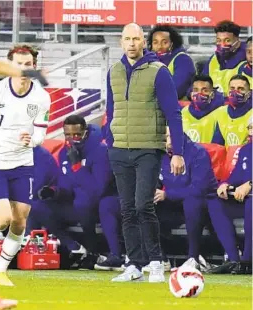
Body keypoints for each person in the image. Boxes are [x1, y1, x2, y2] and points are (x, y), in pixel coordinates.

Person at [106, 23, 185, 283]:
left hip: (148, 148)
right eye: (127, 38)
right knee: (127, 209)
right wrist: (110, 139)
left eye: (136, 39)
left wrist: (178, 152)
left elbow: (173, 112)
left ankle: (155, 261)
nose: (131, 43)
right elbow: (110, 109)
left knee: (143, 206)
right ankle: (134, 264)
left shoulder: (159, 71)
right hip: (119, 149)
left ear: (144, 43)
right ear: (121, 42)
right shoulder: (114, 71)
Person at [0, 44, 51, 286]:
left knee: (20, 220)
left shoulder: (41, 97)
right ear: (10, 66)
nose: (24, 69)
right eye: (18, 64)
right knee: (2, 219)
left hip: (22, 164)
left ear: (34, 67)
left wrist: (31, 140)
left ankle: (0, 271)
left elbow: (40, 134)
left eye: (28, 65)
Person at [37, 115, 122, 269]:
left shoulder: (100, 151)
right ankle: (74, 247)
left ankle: (94, 252)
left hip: (99, 204)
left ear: (85, 132)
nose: (72, 139)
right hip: (77, 204)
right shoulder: (65, 152)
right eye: (68, 135)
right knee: (37, 207)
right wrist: (54, 192)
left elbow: (98, 190)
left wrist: (77, 166)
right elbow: (67, 187)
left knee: (83, 201)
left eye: (76, 134)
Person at [154, 128, 217, 270]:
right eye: (163, 136)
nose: (165, 140)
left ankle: (193, 257)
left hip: (204, 205)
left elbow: (198, 189)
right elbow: (157, 182)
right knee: (145, 206)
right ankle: (159, 258)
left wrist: (167, 194)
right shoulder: (160, 155)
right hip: (174, 205)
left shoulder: (197, 152)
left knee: (191, 202)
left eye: (169, 136)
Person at [207, 116, 252, 274]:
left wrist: (250, 184)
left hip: (250, 200)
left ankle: (247, 261)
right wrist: (225, 184)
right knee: (215, 202)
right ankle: (234, 259)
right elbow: (237, 175)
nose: (252, 132)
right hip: (243, 198)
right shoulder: (246, 149)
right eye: (250, 128)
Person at [147, 24, 195, 100]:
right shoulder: (148, 61)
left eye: (164, 42)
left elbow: (175, 90)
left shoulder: (183, 60)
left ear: (172, 44)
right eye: (155, 43)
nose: (159, 47)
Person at [203, 20, 246, 96]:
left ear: (238, 42)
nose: (222, 45)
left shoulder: (247, 61)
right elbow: (200, 83)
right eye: (219, 40)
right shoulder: (213, 59)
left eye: (227, 40)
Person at [182, 75, 224, 143]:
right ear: (191, 93)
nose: (199, 94)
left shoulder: (220, 113)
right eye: (196, 90)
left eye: (205, 90)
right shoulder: (183, 112)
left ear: (212, 94)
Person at [212, 74, 252, 146]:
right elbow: (217, 146)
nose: (235, 92)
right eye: (232, 88)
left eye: (241, 89)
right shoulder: (221, 112)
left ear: (249, 94)